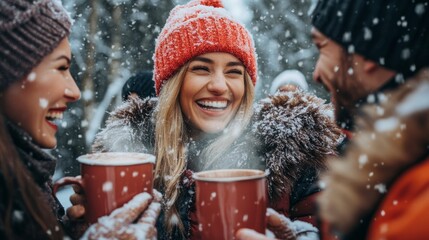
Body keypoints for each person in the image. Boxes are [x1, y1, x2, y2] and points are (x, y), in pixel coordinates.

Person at [69, 0, 341, 239]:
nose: (220, 86)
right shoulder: (132, 160)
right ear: (172, 84)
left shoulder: (293, 159)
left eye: (234, 72)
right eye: (201, 69)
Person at [238, 0, 429, 239]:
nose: (316, 73)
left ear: (365, 51)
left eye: (322, 47)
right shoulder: (395, 154)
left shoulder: (420, 197)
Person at [0, 1, 159, 239]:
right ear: (7, 72)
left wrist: (72, 231)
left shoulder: (27, 177)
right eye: (61, 67)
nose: (74, 91)